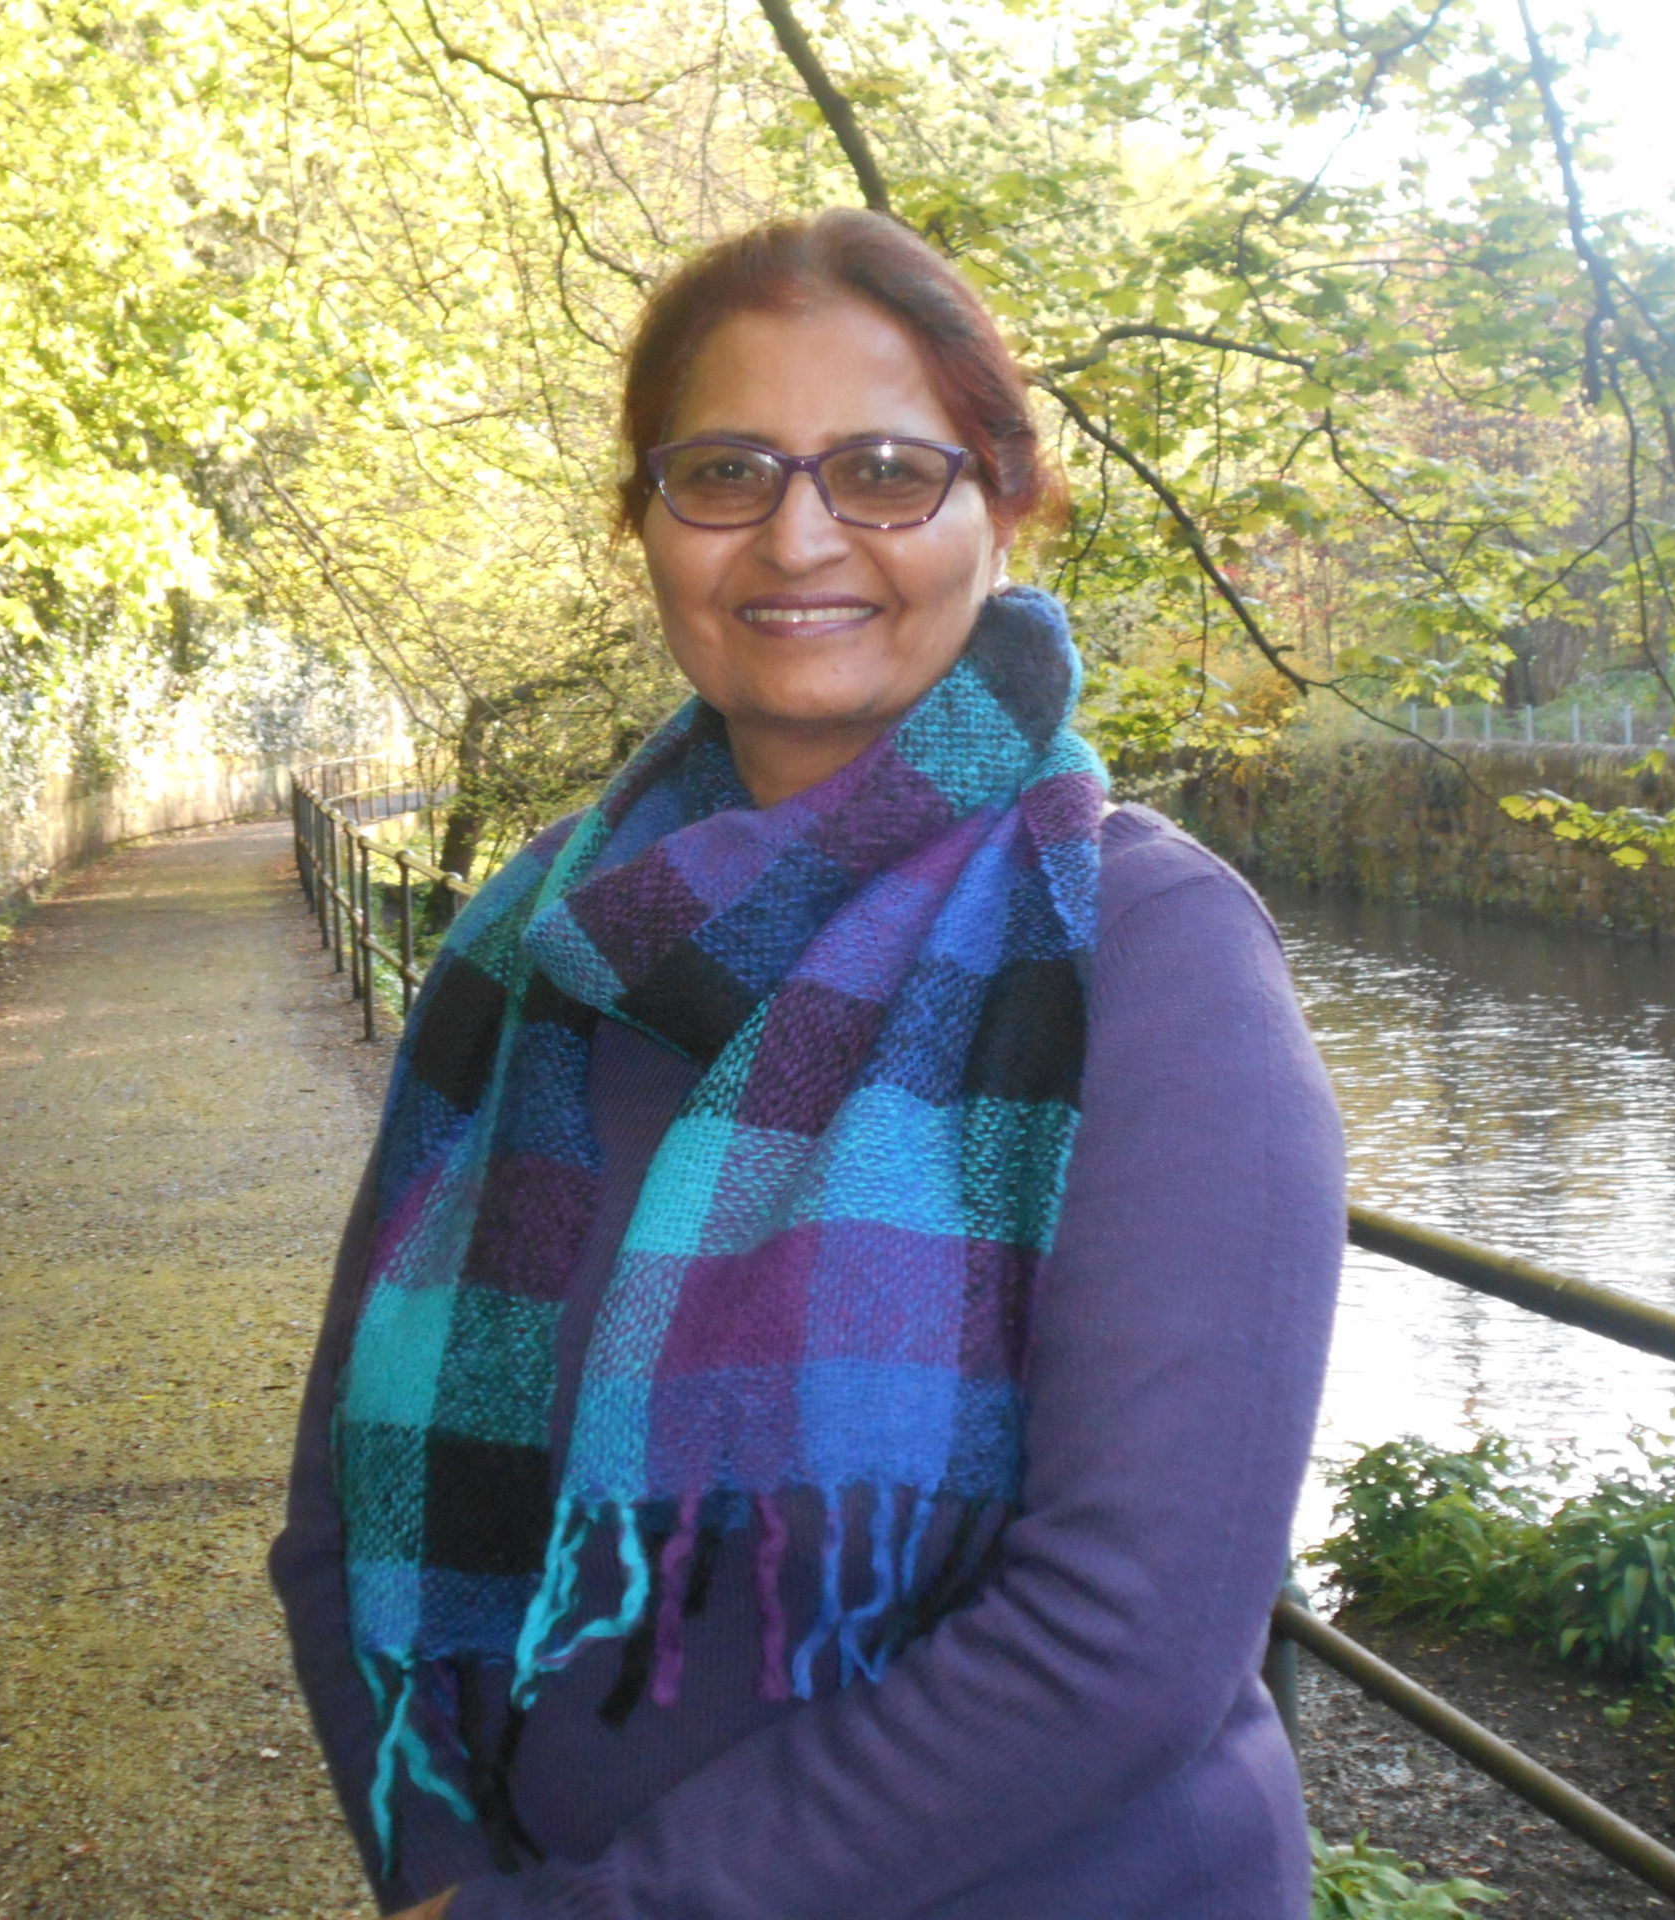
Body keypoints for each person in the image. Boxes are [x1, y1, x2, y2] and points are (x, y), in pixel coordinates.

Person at [271, 207, 1346, 1920]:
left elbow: (1125, 1631)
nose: (798, 535)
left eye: (886, 472)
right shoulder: (530, 941)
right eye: (723, 471)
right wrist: (441, 1872)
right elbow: (343, 1515)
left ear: (1005, 501)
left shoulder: (1145, 951)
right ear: (644, 522)